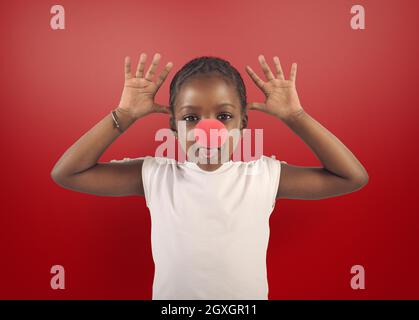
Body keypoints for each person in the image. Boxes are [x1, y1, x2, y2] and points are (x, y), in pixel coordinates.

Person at [51, 52, 369, 300]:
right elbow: (68, 173)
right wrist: (122, 116)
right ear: (173, 128)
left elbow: (351, 177)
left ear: (243, 124)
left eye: (224, 116)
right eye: (191, 118)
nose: (208, 130)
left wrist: (296, 117)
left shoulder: (263, 175)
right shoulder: (155, 175)